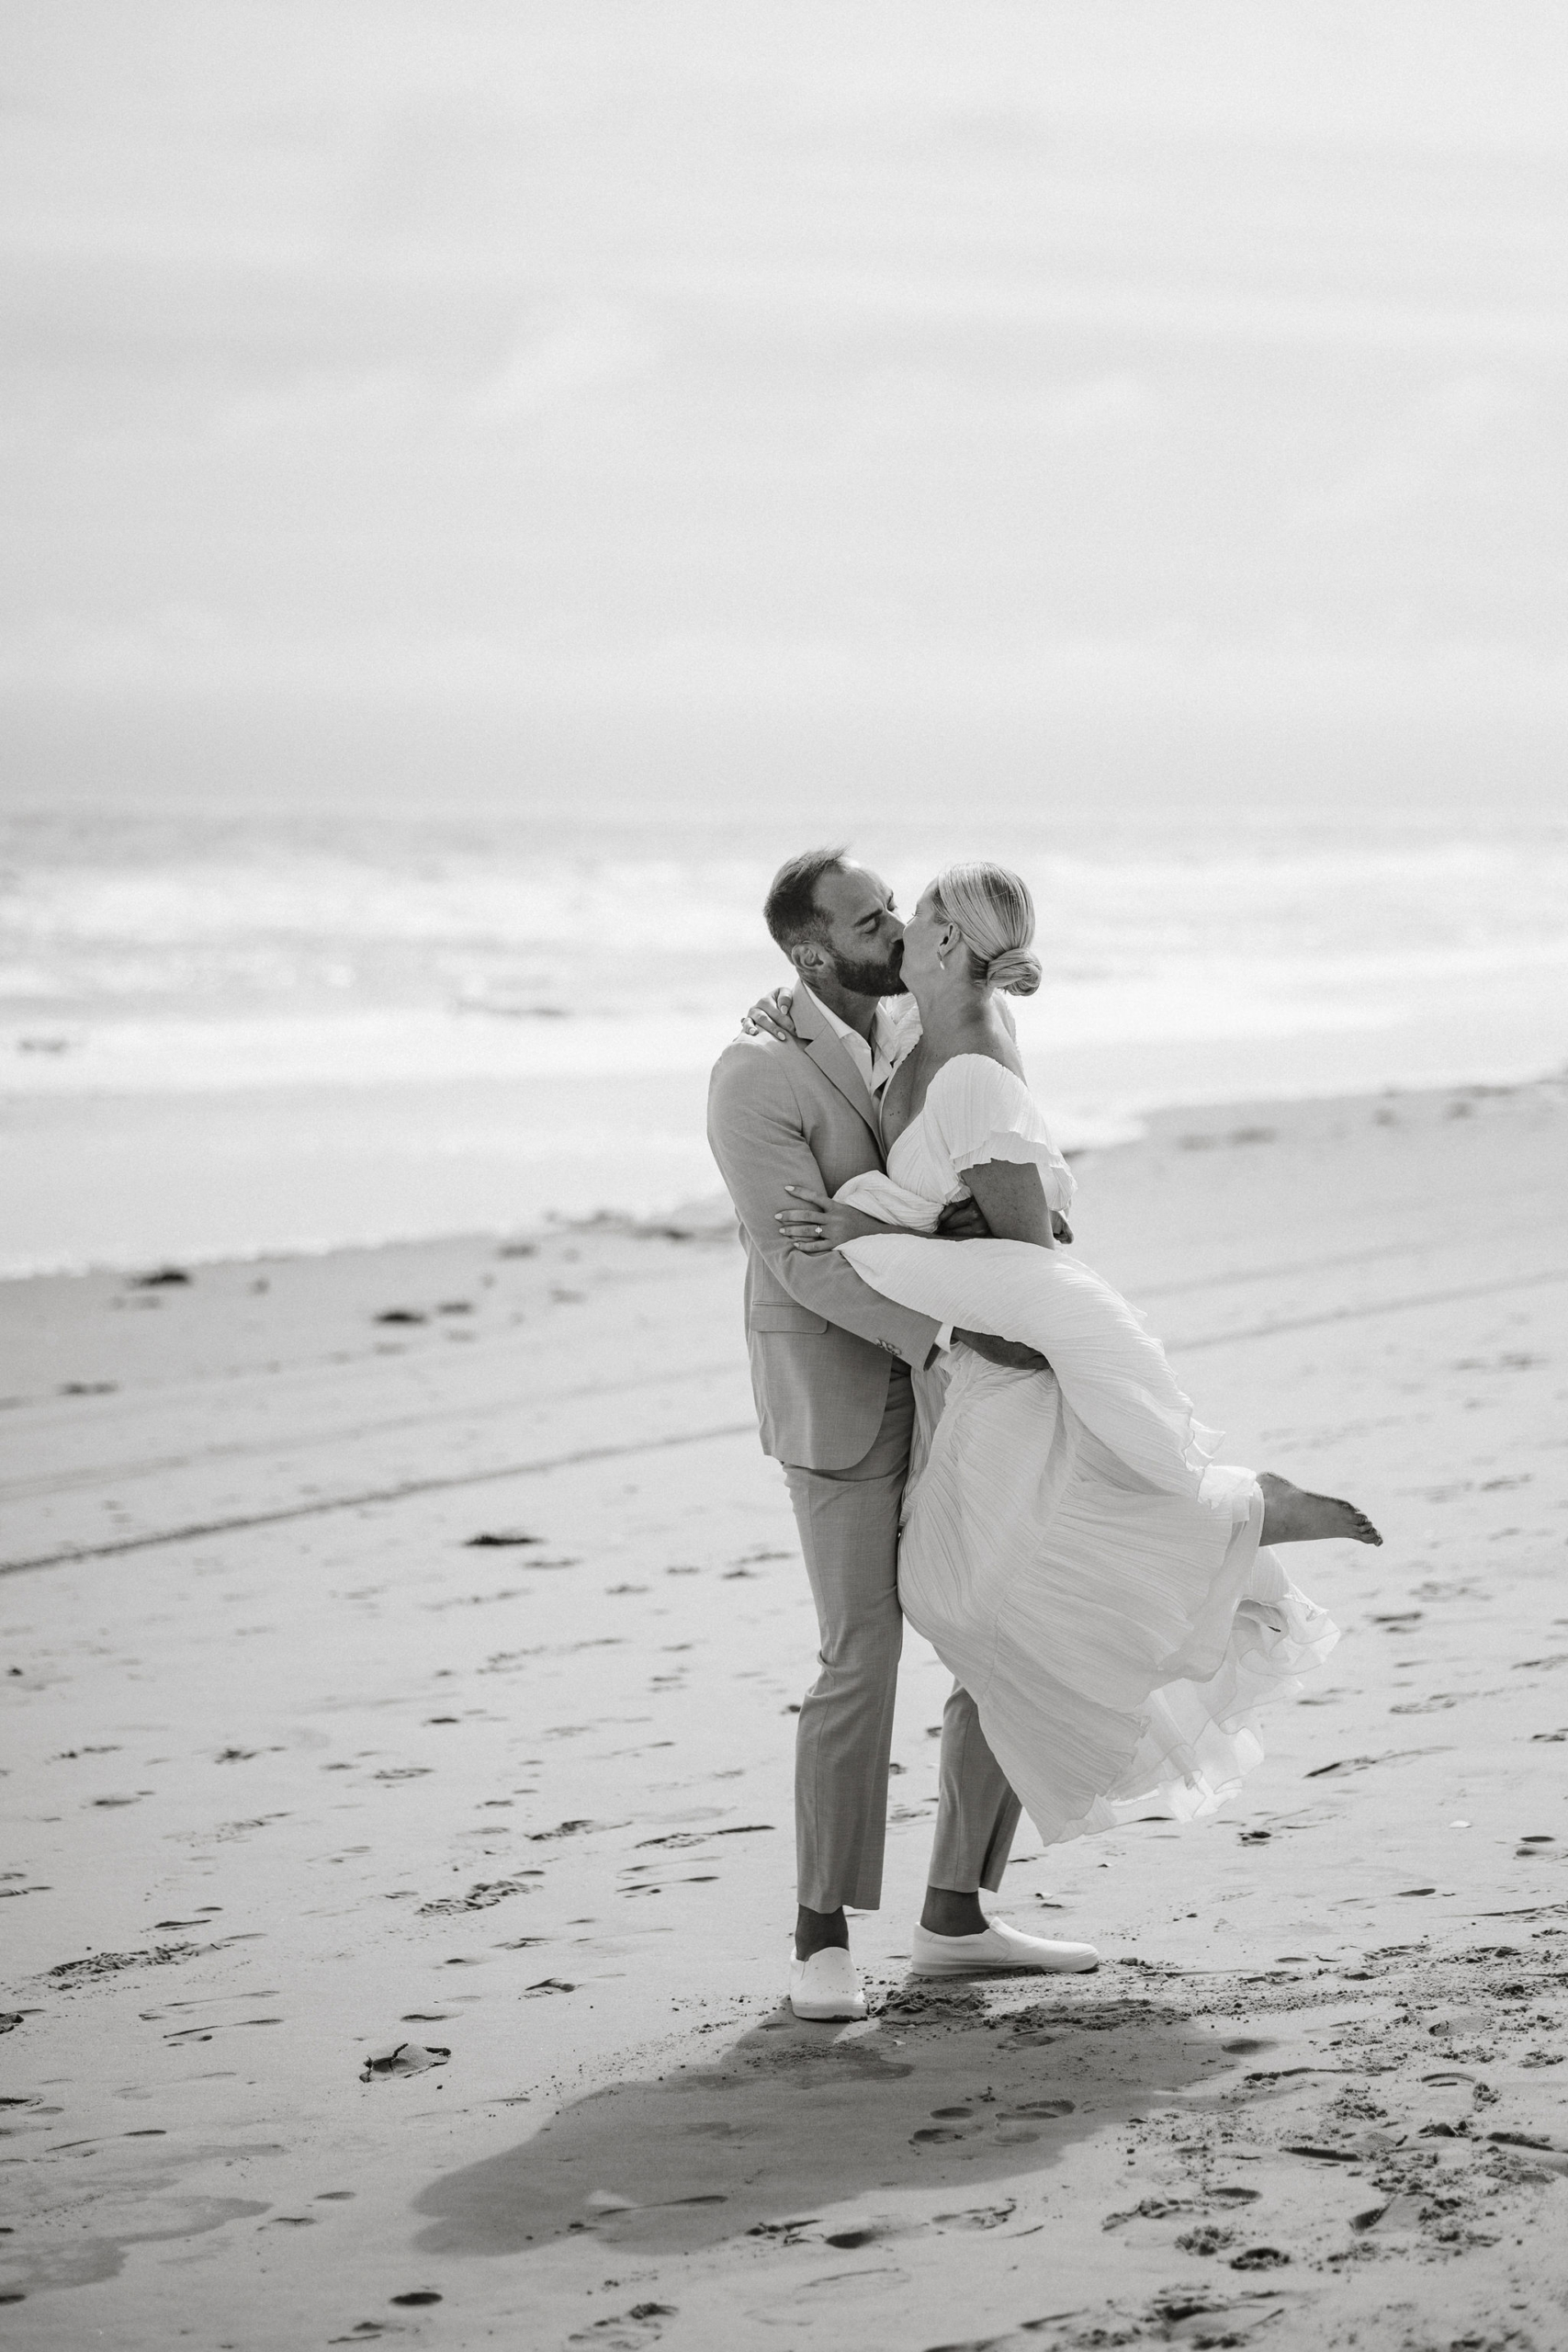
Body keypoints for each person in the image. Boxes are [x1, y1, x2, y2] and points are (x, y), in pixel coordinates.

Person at [761, 858, 1377, 1896]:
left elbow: (1025, 1258)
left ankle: (1241, 1509)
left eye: (908, 916)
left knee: (973, 1599)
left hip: (1008, 1369)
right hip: (966, 1369)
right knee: (992, 1604)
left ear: (949, 944)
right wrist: (784, 1006)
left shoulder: (973, 1073)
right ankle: (957, 1914)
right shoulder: (920, 1032)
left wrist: (875, 1231)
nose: (898, 926)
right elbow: (874, 1066)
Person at [706, 850, 1101, 2025]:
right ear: (807, 949)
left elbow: (1010, 1157)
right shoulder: (753, 1074)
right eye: (868, 917)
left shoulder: (919, 1021)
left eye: (895, 908)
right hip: (845, 1389)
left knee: (1000, 1630)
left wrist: (1019, 1227)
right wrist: (939, 1332)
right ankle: (820, 1933)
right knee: (860, 1653)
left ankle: (957, 1916)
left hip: (958, 1378)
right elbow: (799, 1254)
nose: (893, 925)